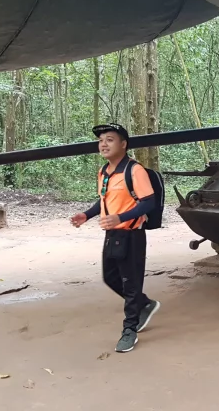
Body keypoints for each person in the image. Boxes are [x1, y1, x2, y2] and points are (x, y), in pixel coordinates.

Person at [70, 123, 160, 353]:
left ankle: (129, 330)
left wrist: (121, 217)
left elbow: (148, 202)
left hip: (132, 234)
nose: (103, 144)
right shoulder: (104, 172)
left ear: (123, 144)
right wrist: (87, 215)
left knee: (130, 283)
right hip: (112, 233)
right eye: (101, 140)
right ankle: (144, 304)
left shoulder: (134, 170)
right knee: (110, 278)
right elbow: (104, 200)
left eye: (110, 139)